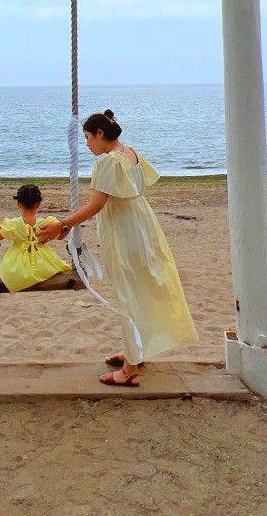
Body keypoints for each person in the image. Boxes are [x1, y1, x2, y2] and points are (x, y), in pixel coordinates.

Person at [39, 109, 198, 386]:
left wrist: (62, 223)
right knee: (139, 289)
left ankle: (130, 369)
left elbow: (95, 206)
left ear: (100, 134)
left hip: (125, 232)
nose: (87, 144)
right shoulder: (131, 153)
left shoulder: (109, 163)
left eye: (88, 137)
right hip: (142, 226)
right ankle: (134, 352)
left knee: (128, 293)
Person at [0, 184, 72, 293]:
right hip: (44, 265)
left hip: (17, 267)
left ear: (19, 204)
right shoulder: (46, 223)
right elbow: (61, 236)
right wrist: (70, 225)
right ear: (38, 204)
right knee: (55, 267)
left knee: (10, 274)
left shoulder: (14, 224)